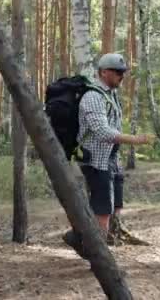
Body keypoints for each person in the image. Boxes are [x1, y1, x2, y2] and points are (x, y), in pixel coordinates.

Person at [63, 53, 154, 256]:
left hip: (111, 160)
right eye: (118, 72)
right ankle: (98, 256)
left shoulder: (110, 95)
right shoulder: (93, 97)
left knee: (114, 206)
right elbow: (103, 133)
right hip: (95, 162)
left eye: (123, 73)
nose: (122, 76)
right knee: (102, 211)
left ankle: (82, 239)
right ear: (104, 72)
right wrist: (136, 140)